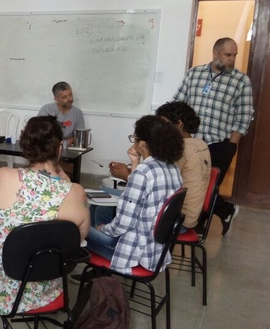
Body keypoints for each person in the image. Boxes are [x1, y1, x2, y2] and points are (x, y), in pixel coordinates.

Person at [0, 116, 90, 329]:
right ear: (59, 148)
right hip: (39, 287)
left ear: (25, 147)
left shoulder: (3, 175)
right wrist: (61, 175)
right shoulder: (74, 192)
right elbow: (75, 239)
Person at [173, 37, 254, 236]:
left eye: (235, 55)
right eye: (228, 55)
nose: (232, 59)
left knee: (208, 187)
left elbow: (244, 115)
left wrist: (231, 144)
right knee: (191, 183)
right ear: (216, 53)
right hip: (191, 143)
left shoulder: (241, 80)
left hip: (219, 143)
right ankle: (225, 211)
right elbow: (178, 103)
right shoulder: (194, 74)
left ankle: (198, 226)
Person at [85, 116, 183, 275]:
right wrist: (136, 162)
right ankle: (100, 274)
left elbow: (124, 223)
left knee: (76, 227)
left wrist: (104, 229)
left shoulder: (143, 173)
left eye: (134, 138)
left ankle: (98, 275)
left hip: (132, 253)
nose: (133, 142)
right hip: (156, 250)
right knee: (99, 205)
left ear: (142, 143)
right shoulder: (172, 168)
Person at [108, 101, 211, 232]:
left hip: (174, 218)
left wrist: (128, 175)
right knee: (108, 195)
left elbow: (158, 183)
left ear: (179, 124)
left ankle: (109, 243)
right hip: (187, 214)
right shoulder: (200, 144)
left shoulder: (181, 150)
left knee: (105, 208)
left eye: (164, 125)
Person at [37, 81, 86, 146]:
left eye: (70, 95)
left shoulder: (77, 113)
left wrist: (69, 142)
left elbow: (80, 136)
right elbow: (39, 134)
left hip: (68, 150)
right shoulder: (46, 110)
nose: (69, 99)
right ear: (56, 99)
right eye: (64, 97)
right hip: (48, 148)